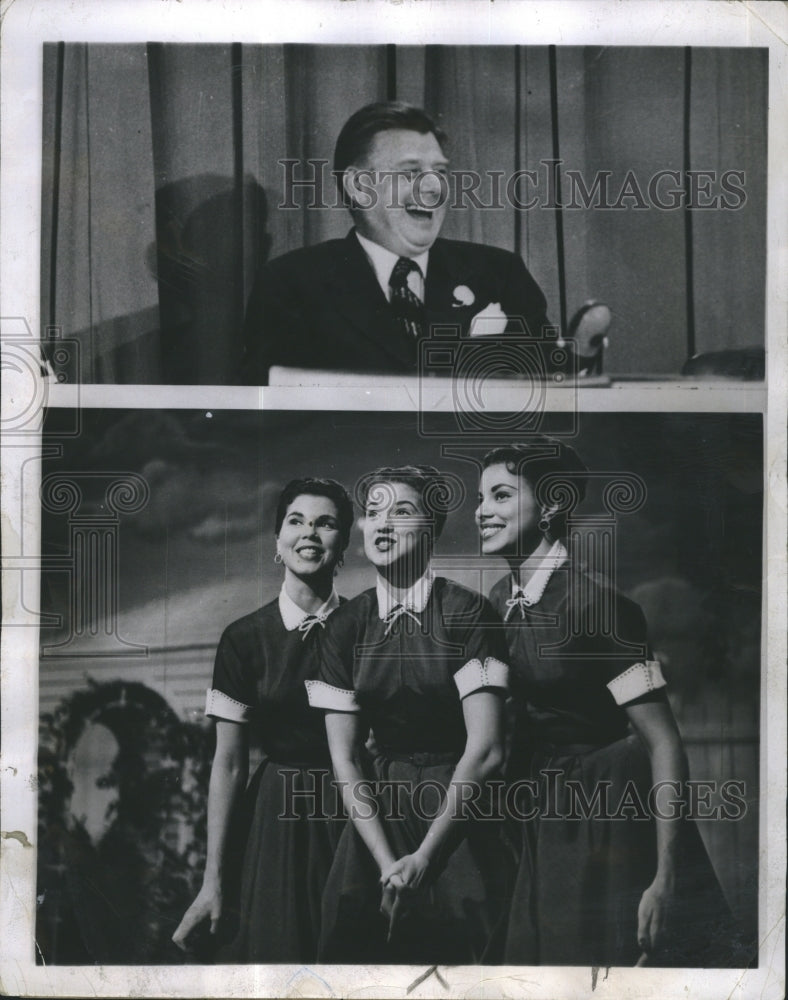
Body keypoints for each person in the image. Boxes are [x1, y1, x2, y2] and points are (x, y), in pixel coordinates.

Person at [475, 437, 747, 966]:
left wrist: (666, 877)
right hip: (537, 810)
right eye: (480, 497)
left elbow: (664, 741)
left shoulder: (600, 607)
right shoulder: (497, 605)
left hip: (606, 810)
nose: (482, 511)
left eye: (501, 496)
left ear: (552, 503)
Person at [306, 465, 518, 964]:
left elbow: (486, 750)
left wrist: (426, 858)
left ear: (433, 528)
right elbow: (345, 758)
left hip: (460, 815)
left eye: (401, 512)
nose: (382, 525)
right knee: (353, 939)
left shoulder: (467, 613)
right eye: (373, 513)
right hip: (377, 818)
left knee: (473, 950)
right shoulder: (344, 626)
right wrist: (386, 864)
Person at [239, 102, 552, 384]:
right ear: (360, 186)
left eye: (440, 172)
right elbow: (269, 418)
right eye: (411, 172)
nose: (434, 188)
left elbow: (558, 392)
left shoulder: (499, 274)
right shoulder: (291, 285)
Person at [172, 477, 354, 962]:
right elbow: (228, 764)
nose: (309, 533)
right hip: (277, 824)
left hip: (358, 813)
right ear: (278, 543)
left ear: (343, 545)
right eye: (296, 521)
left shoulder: (368, 627)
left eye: (325, 523)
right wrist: (213, 880)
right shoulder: (244, 638)